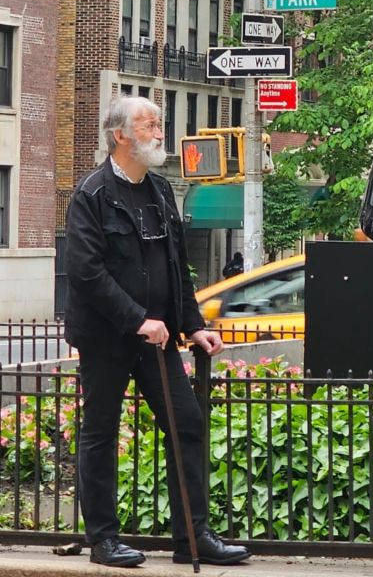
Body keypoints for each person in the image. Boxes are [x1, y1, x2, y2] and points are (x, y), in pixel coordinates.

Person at [64, 96, 251, 568]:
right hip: (108, 338)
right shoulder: (91, 194)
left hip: (160, 338)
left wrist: (193, 326)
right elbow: (86, 272)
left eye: (159, 123)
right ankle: (103, 541)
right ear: (120, 135)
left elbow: (175, 267)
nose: (159, 131)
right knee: (100, 434)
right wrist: (136, 319)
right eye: (149, 124)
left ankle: (192, 537)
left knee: (187, 425)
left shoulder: (162, 190)